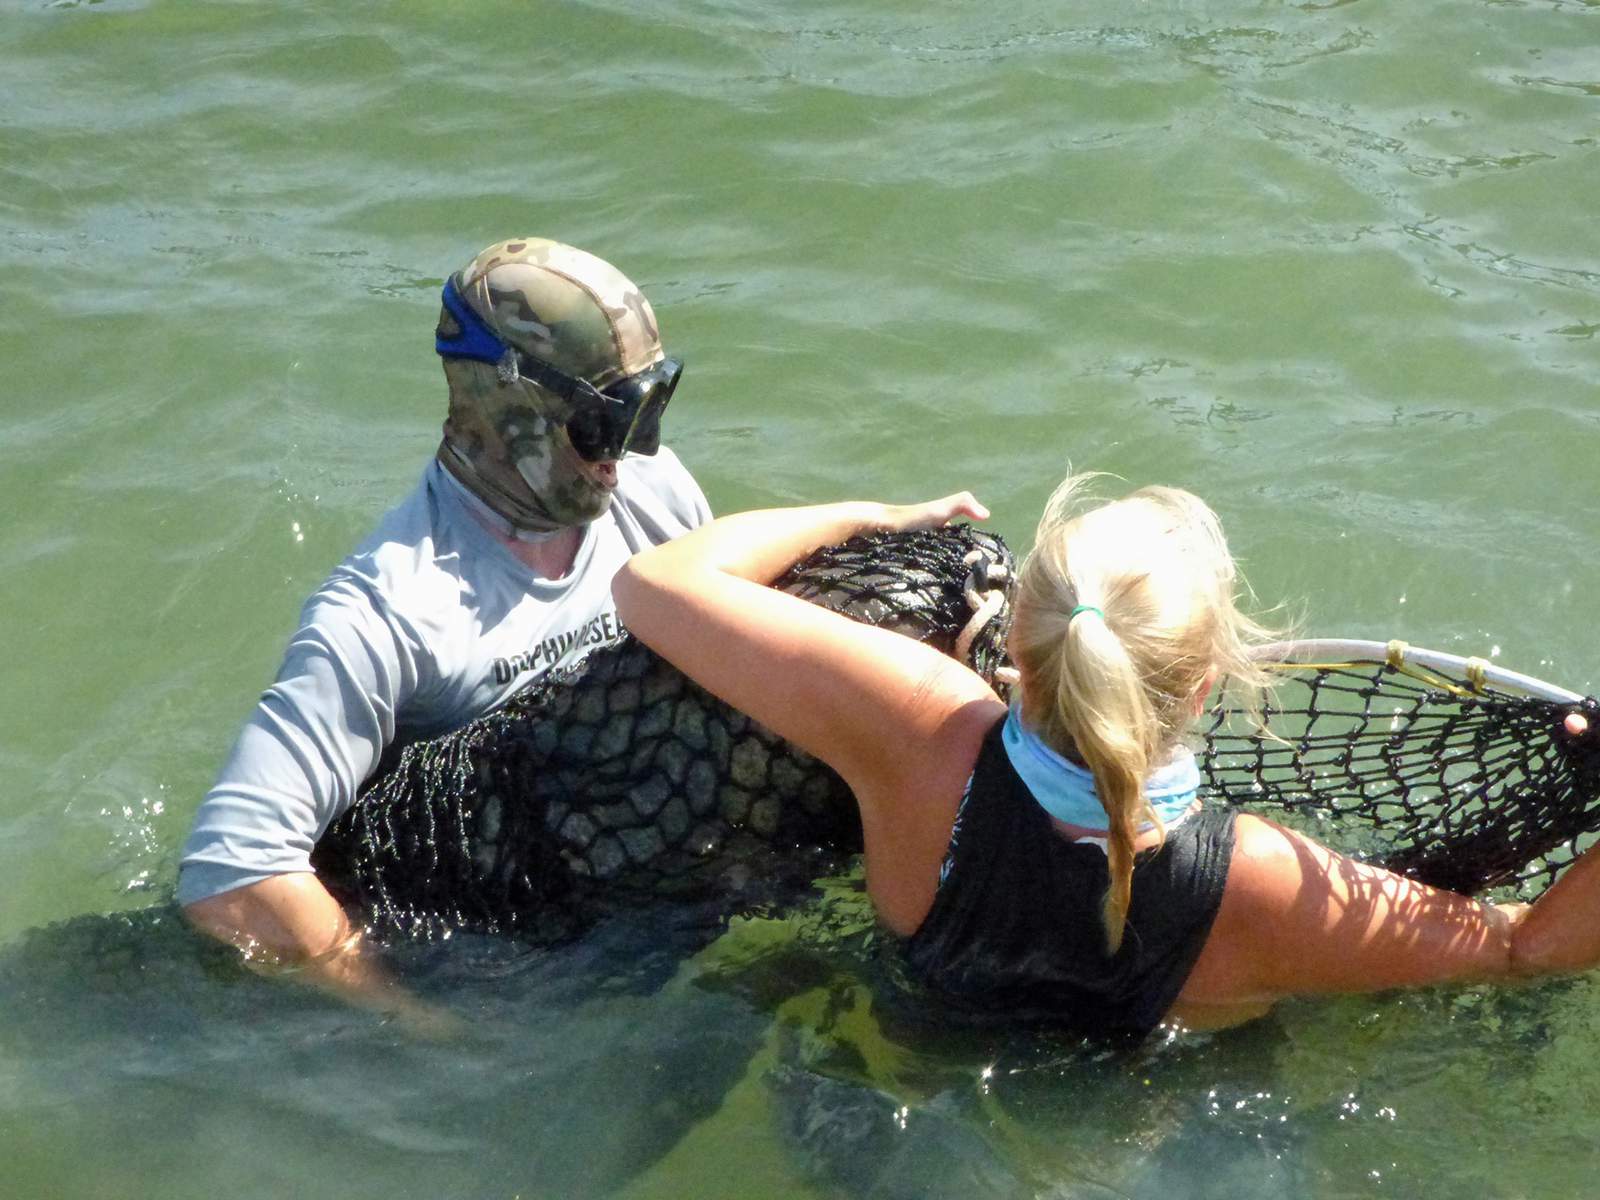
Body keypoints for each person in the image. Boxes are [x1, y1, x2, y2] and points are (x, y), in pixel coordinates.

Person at [612, 473, 1600, 1039]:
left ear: (1022, 661)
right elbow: (1525, 950)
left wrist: (870, 519)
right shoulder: (1253, 881)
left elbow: (654, 584)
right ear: (1205, 689)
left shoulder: (915, 730)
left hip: (908, 1041)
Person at [179, 238, 711, 1013]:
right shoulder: (390, 612)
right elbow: (230, 876)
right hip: (488, 953)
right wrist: (422, 1028)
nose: (636, 451)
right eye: (606, 423)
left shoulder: (653, 495)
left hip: (641, 887)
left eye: (651, 406)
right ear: (513, 407)